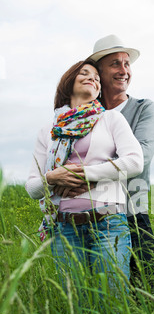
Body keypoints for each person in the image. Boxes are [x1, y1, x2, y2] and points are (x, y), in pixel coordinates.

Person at [25, 59, 143, 297]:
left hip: (108, 223)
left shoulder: (110, 119)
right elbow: (32, 187)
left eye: (97, 78)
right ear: (69, 82)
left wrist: (87, 174)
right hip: (64, 227)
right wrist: (52, 176)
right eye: (85, 73)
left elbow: (134, 161)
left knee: (112, 300)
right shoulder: (49, 130)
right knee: (75, 305)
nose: (93, 79)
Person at [88, 35, 154, 287]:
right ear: (99, 71)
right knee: (97, 292)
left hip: (132, 213)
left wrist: (82, 173)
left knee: (142, 290)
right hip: (89, 215)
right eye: (115, 64)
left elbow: (140, 157)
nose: (124, 70)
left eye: (127, 64)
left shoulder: (143, 108)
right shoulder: (84, 112)